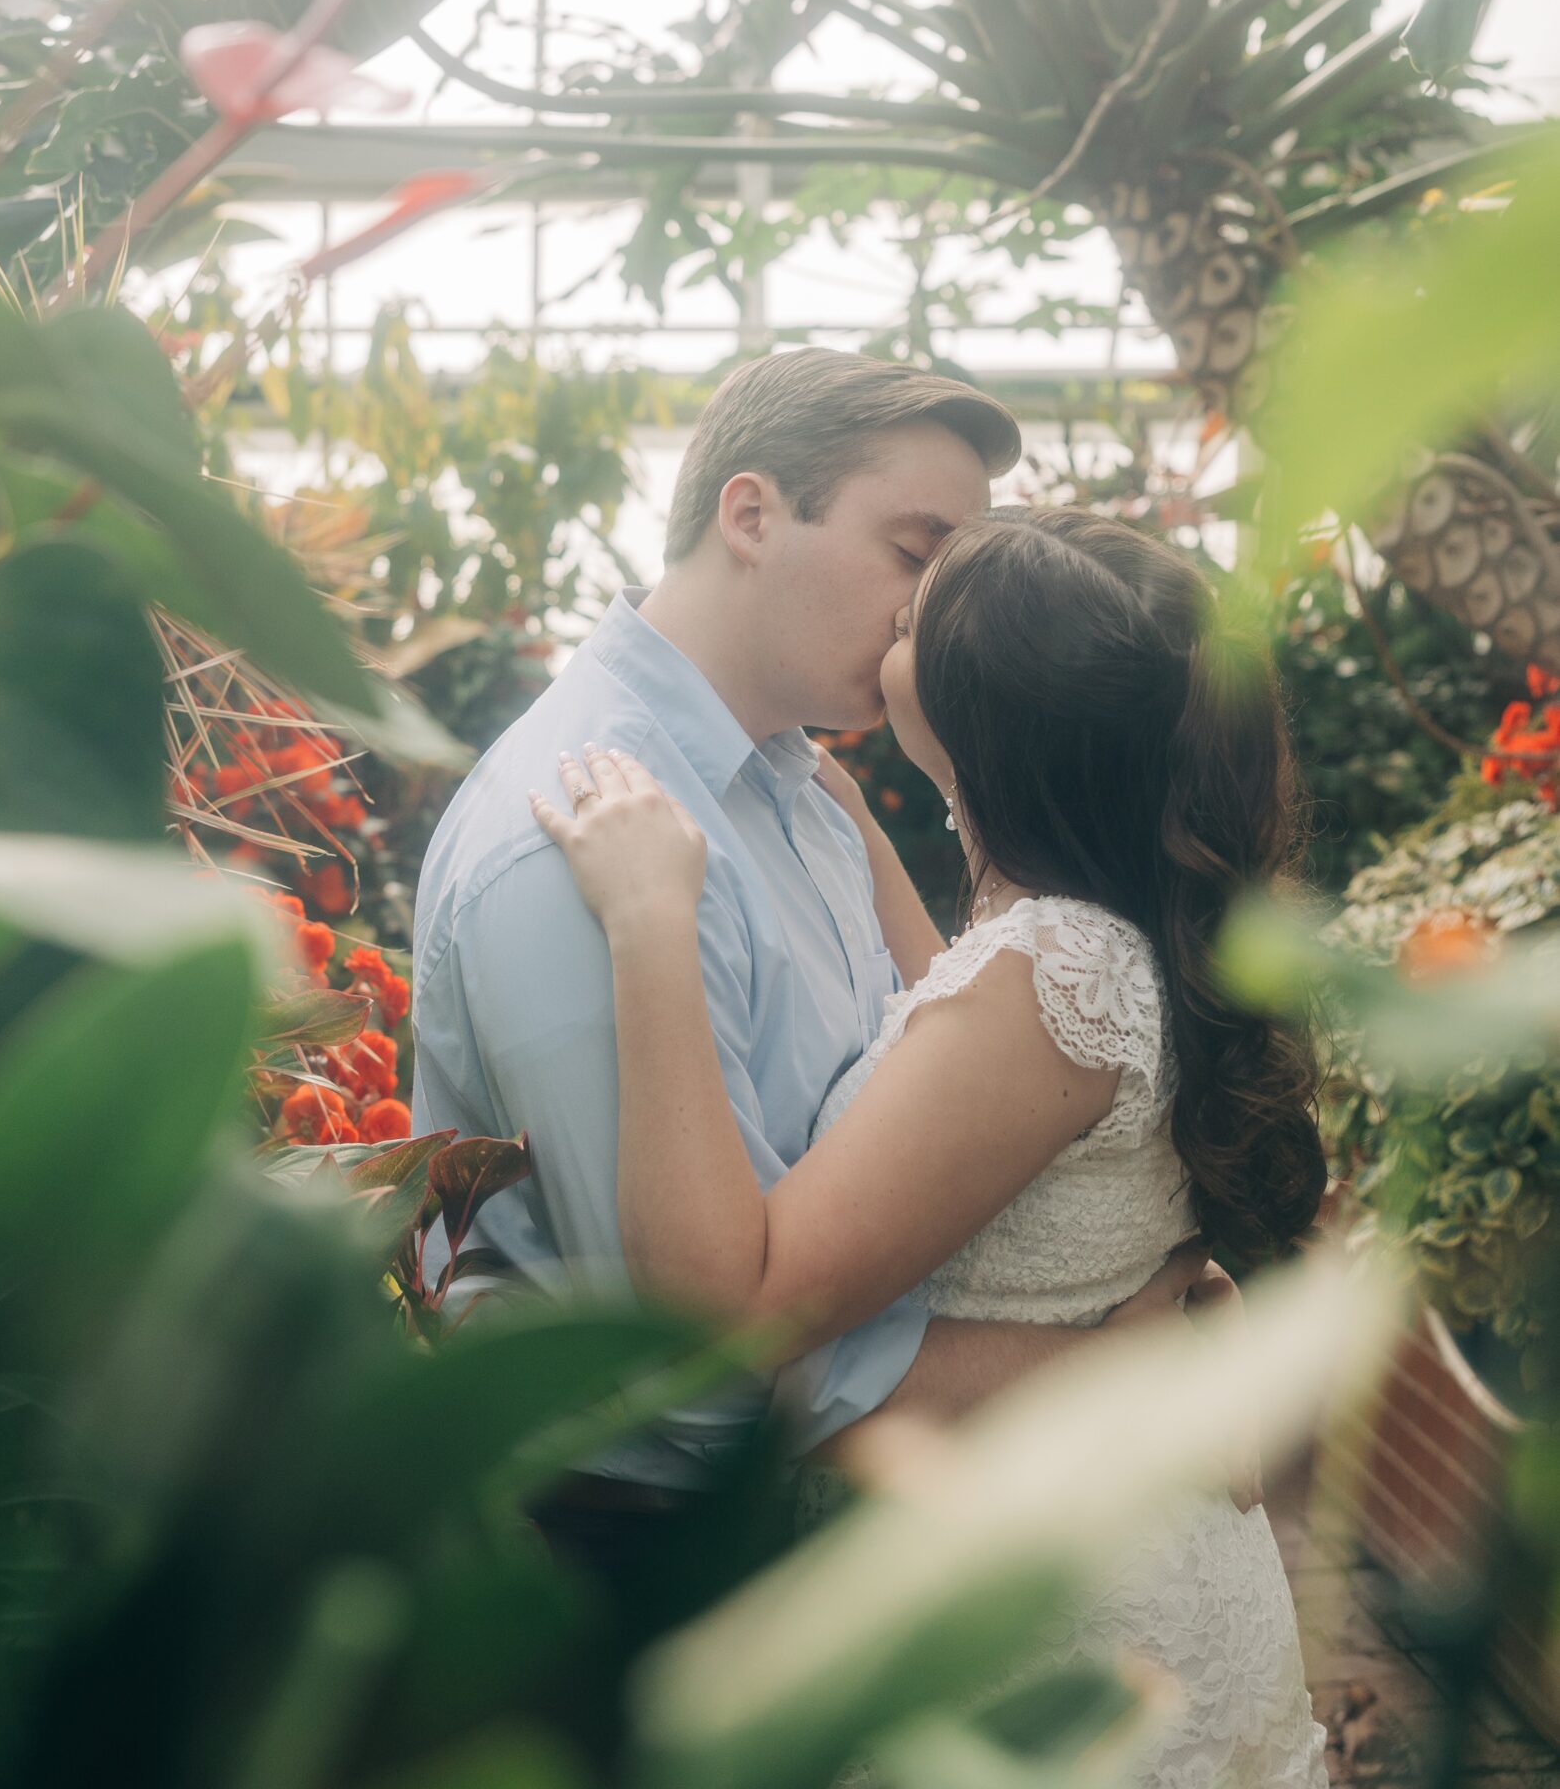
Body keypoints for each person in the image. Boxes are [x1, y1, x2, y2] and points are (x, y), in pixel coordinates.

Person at [533, 502, 1330, 1786]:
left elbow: (727, 1304)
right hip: (1120, 1567)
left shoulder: (1056, 970)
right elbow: (945, 1015)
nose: (888, 615)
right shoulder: (1113, 927)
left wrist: (649, 927)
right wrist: (827, 793)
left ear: (981, 708)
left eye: (915, 613)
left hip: (1046, 1629)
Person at [411, 352, 1217, 1552]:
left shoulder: (808, 792)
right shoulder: (572, 837)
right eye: (913, 549)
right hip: (647, 1555)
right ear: (752, 514)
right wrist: (1094, 1364)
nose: (927, 612)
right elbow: (697, 1379)